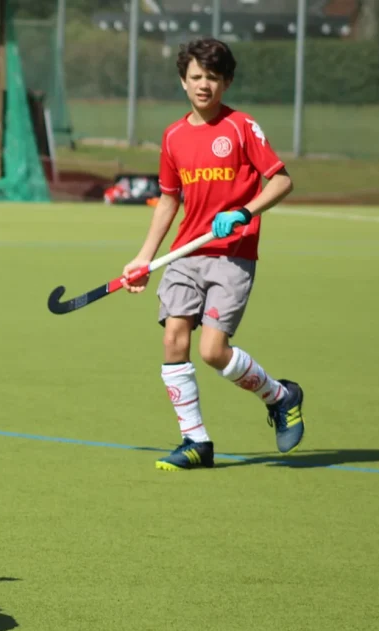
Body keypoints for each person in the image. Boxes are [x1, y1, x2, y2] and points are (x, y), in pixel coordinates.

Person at [119, 38, 305, 471]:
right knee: (173, 337)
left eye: (213, 78)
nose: (204, 85)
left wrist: (243, 211)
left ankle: (280, 396)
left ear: (226, 82)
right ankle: (195, 441)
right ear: (183, 82)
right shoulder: (174, 136)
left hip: (232, 254)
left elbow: (281, 181)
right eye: (196, 77)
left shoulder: (242, 127)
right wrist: (143, 258)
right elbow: (168, 201)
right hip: (186, 252)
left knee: (213, 351)